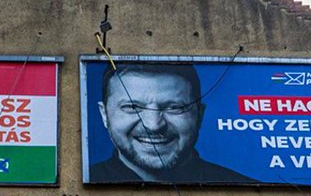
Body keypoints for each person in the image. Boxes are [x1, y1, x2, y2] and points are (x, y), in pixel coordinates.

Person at [89, 63, 254, 183]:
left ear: (200, 115)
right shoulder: (88, 178)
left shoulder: (246, 187)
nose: (153, 125)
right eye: (132, 107)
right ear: (104, 114)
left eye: (174, 107)